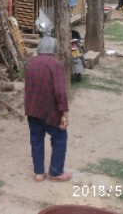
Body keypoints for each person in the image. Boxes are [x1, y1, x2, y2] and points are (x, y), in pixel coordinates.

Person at [24, 36, 71, 182]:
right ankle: (56, 172)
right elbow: (60, 91)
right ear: (54, 49)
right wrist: (65, 113)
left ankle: (39, 173)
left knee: (36, 139)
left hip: (32, 108)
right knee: (60, 137)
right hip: (49, 110)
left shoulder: (30, 62)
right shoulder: (55, 64)